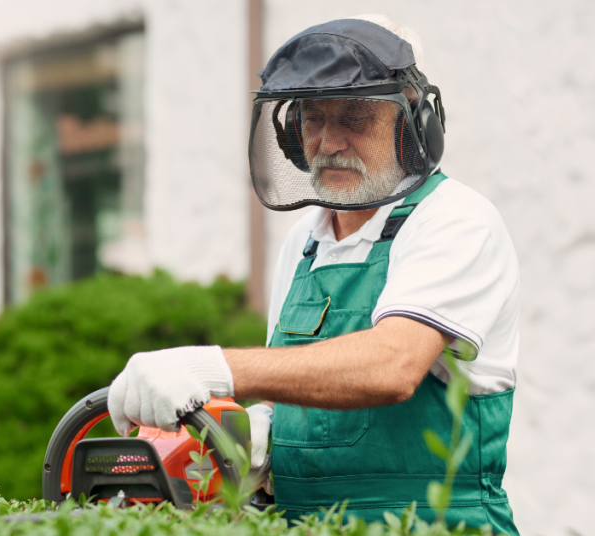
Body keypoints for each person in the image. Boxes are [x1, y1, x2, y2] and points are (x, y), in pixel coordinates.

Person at [108, 15, 520, 534]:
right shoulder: (305, 244)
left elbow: (392, 365)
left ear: (412, 123)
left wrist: (210, 366)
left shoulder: (455, 220)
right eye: (312, 119)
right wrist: (264, 435)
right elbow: (302, 382)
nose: (328, 142)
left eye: (354, 117)